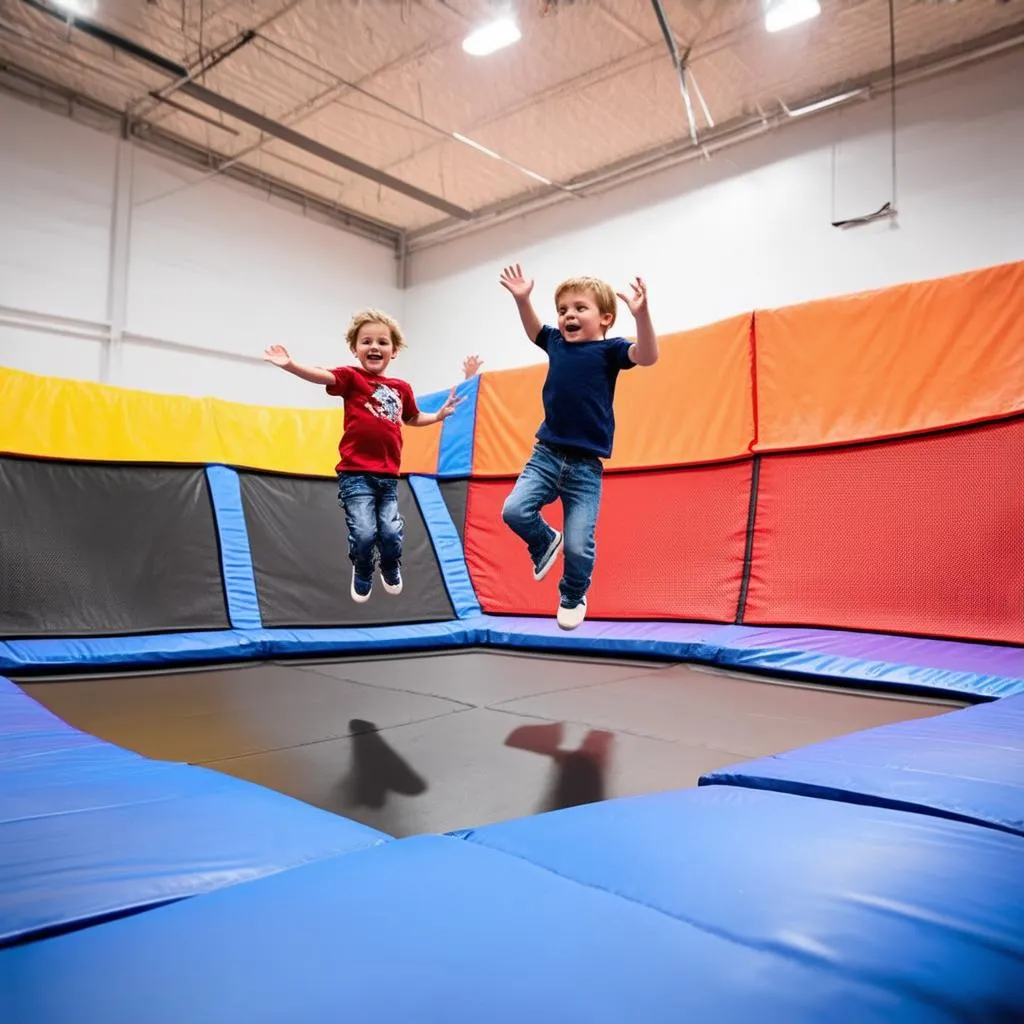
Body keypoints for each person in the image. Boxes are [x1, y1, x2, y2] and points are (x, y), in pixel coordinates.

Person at [498, 264, 659, 630]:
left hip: (585, 467)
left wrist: (643, 315)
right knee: (514, 511)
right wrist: (523, 301)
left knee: (578, 545)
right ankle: (542, 542)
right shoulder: (555, 342)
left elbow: (648, 356)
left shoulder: (610, 351)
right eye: (563, 309)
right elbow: (534, 330)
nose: (568, 315)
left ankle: (572, 594)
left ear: (605, 318)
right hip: (546, 456)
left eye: (579, 308)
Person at [263, 308, 462, 604]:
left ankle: (390, 564)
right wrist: (291, 364)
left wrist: (438, 416)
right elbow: (322, 375)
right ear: (355, 349)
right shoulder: (351, 378)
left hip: (388, 476)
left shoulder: (401, 388)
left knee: (391, 532)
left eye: (382, 342)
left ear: (393, 351)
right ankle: (363, 566)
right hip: (355, 473)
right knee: (366, 532)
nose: (374, 347)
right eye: (366, 341)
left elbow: (412, 417)